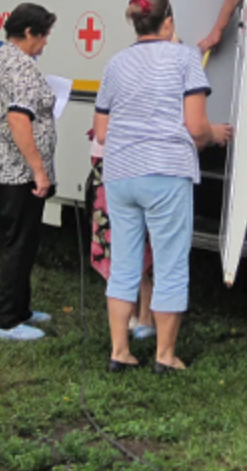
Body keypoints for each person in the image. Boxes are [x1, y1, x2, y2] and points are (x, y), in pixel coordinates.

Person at [94, 0, 232, 373]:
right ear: (168, 22)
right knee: (170, 263)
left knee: (124, 264)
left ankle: (119, 351)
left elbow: (102, 131)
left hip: (120, 173)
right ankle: (165, 355)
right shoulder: (185, 58)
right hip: (166, 172)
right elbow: (196, 126)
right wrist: (213, 135)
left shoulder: (115, 63)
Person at [0, 2, 58, 341]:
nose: (45, 42)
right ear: (28, 32)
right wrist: (39, 170)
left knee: (12, 240)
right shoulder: (22, 67)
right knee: (20, 244)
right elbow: (18, 119)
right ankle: (4, 319)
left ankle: (20, 309)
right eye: (43, 35)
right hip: (17, 172)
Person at [86, 131, 156, 340]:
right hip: (114, 158)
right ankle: (134, 314)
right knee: (123, 239)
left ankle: (143, 316)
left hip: (130, 157)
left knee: (135, 239)